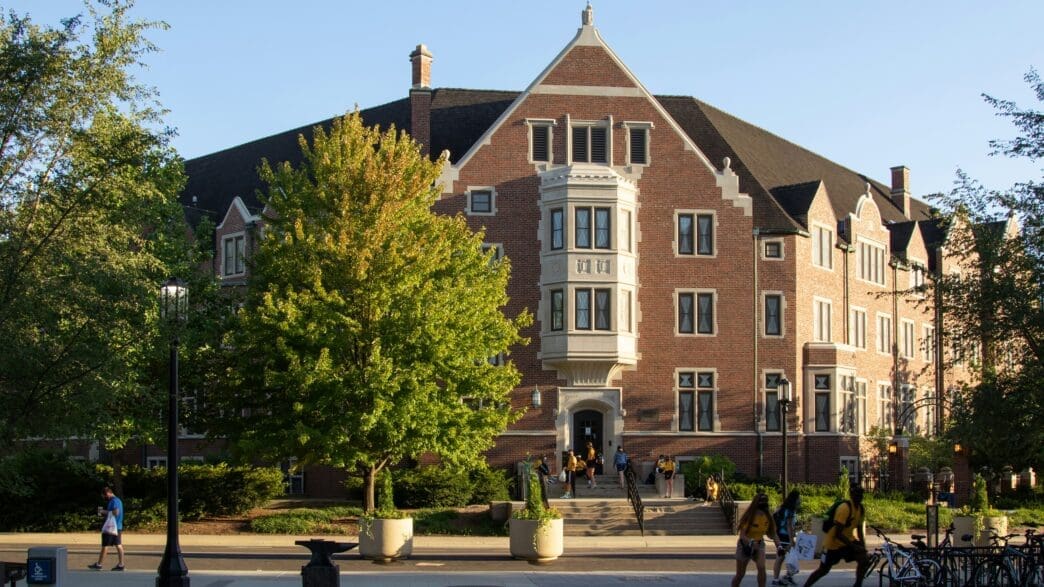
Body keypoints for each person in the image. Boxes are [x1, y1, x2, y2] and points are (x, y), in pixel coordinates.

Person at [803, 484, 869, 587]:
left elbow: (860, 531)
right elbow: (838, 534)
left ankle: (857, 585)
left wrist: (862, 547)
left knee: (864, 559)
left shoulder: (861, 509)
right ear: (851, 495)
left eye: (861, 494)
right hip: (832, 544)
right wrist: (854, 546)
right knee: (823, 570)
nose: (859, 497)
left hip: (847, 542)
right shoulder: (844, 508)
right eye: (856, 494)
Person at [732, 492, 778, 587]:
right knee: (740, 574)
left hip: (759, 544)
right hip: (745, 545)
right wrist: (751, 542)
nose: (763, 504)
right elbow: (742, 536)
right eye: (761, 502)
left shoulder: (768, 516)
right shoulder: (750, 516)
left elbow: (772, 534)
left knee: (761, 568)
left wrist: (780, 546)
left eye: (765, 501)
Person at [89, 486, 125, 571]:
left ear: (108, 493)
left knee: (105, 545)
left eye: (105, 496)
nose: (105, 498)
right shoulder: (118, 500)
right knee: (119, 545)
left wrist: (102, 512)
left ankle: (99, 564)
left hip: (111, 527)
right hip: (118, 527)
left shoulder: (114, 501)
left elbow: (116, 512)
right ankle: (121, 564)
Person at [772, 489, 801, 586]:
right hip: (785, 536)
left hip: (780, 534)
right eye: (798, 498)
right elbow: (789, 526)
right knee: (781, 557)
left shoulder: (784, 508)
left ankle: (785, 577)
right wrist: (792, 539)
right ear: (795, 499)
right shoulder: (790, 511)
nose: (800, 500)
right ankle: (779, 579)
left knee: (785, 556)